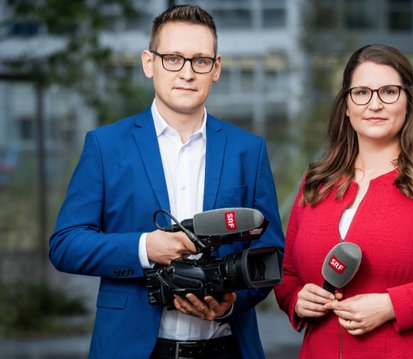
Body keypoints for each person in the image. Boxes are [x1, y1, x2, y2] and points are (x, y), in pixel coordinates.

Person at [49, 4, 284, 359]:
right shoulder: (106, 146)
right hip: (133, 350)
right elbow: (65, 244)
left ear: (216, 68)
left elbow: (272, 253)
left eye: (200, 61)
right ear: (149, 63)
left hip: (227, 347)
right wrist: (145, 248)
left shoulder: (247, 150)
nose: (187, 73)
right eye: (173, 58)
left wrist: (230, 303)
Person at [274, 44, 413, 358]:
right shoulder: (315, 183)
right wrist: (297, 298)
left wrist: (392, 305)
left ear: (408, 102)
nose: (375, 104)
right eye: (362, 92)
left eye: (389, 92)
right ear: (346, 105)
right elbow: (287, 275)